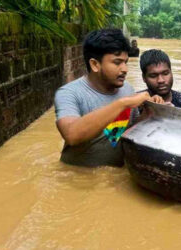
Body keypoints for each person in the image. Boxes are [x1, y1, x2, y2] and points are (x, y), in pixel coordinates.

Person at [54, 28, 162, 167]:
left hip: (113, 176)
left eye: (126, 62)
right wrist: (123, 103)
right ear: (95, 64)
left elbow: (119, 133)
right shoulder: (69, 93)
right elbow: (71, 135)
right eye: (117, 62)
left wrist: (150, 113)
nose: (125, 69)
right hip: (77, 178)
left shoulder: (127, 89)